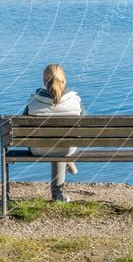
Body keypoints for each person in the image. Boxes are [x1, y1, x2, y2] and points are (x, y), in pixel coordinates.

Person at [22, 64, 86, 202]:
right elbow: (84, 127)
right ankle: (67, 165)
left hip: (38, 149)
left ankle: (58, 193)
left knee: (54, 142)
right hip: (68, 148)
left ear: (44, 81)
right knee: (64, 143)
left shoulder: (33, 103)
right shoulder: (75, 101)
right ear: (65, 81)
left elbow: (23, 128)